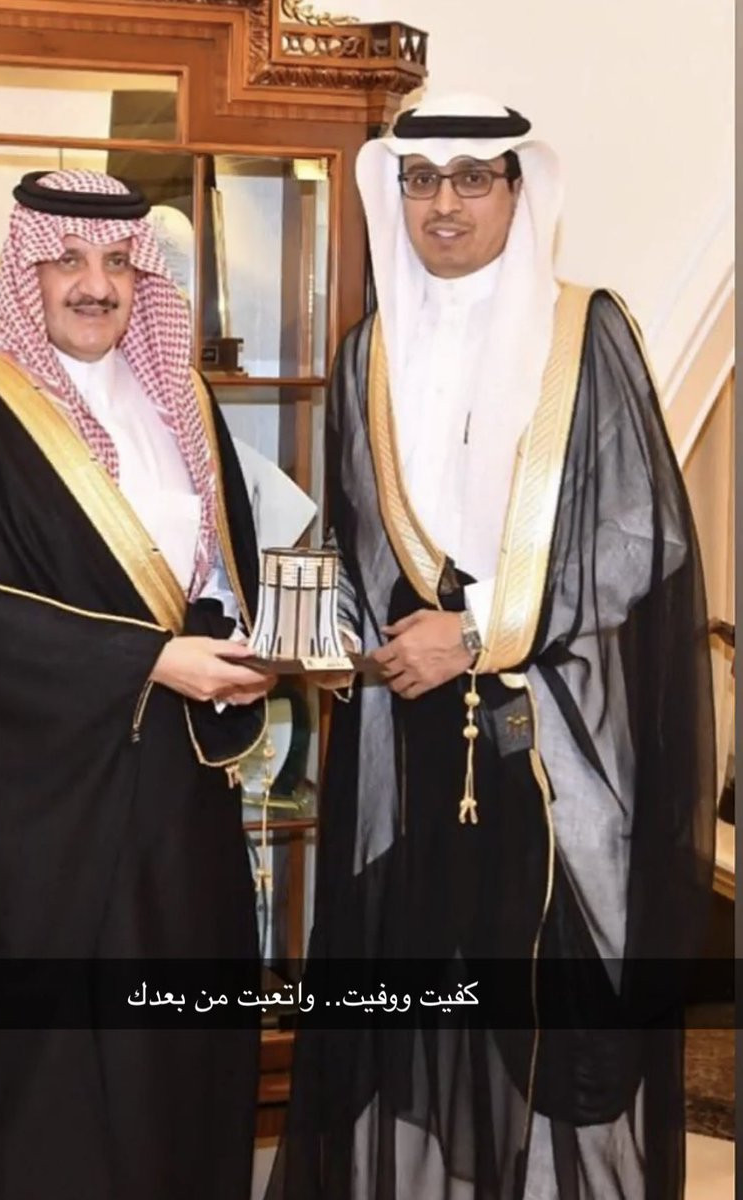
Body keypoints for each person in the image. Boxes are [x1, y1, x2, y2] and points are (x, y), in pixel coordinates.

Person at [266, 92, 716, 1199]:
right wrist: (324, 631)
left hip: (549, 728)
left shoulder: (585, 333)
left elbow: (638, 534)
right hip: (407, 731)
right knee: (419, 981)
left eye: (474, 178)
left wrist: (474, 635)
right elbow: (356, 534)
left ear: (519, 190)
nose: (444, 204)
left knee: (551, 996)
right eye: (421, 180)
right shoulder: (368, 349)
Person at [0, 169, 275, 1200]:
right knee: (56, 1070)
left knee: (172, 1048)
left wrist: (238, 648)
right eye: (66, 260)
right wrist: (149, 660)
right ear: (27, 271)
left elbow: (215, 572)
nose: (94, 284)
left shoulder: (181, 399)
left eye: (116, 261)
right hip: (37, 807)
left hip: (174, 792)